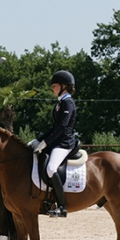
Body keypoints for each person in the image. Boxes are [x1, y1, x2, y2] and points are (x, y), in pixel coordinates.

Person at [28, 70, 77, 218]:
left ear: (64, 86)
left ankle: (62, 207)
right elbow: (54, 127)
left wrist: (45, 142)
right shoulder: (60, 102)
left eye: (54, 85)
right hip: (56, 141)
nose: (52, 88)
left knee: (51, 168)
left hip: (64, 143)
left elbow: (62, 127)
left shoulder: (68, 103)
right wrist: (39, 140)